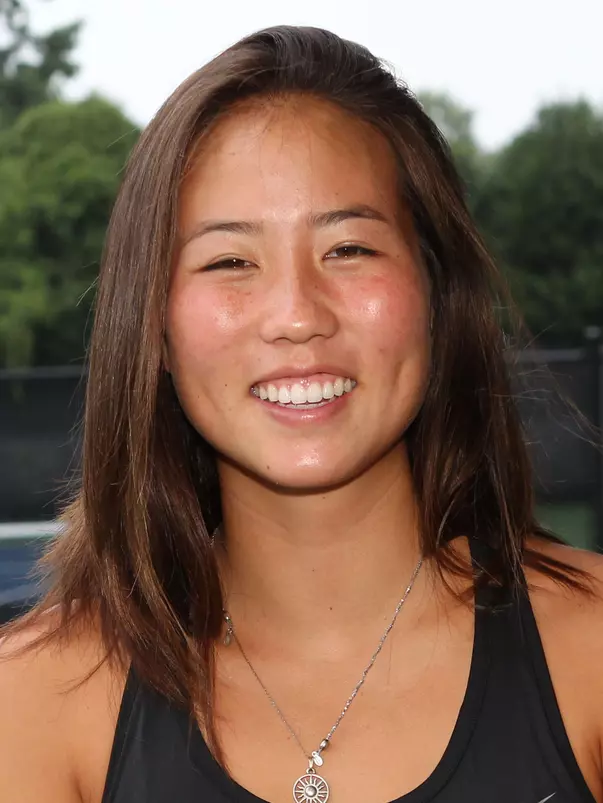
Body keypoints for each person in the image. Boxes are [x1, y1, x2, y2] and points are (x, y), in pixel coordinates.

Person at [0, 24, 602, 803]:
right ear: (153, 328)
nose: (294, 314)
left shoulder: (588, 649)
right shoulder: (34, 701)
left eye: (348, 248)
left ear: (436, 294)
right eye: (229, 261)